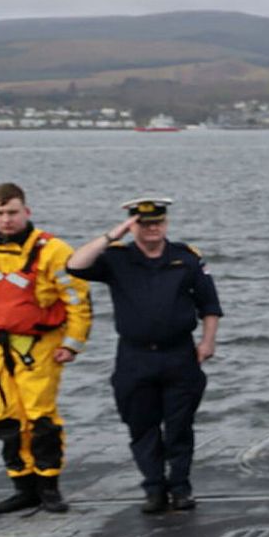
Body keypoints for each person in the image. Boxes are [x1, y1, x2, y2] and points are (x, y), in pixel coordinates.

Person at [66, 199, 222, 514]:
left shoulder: (185, 258)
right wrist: (114, 234)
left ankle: (180, 488)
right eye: (144, 223)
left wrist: (207, 342)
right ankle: (153, 488)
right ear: (133, 226)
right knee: (141, 425)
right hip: (135, 357)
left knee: (180, 426)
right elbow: (75, 265)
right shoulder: (117, 258)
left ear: (166, 223)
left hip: (179, 354)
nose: (152, 229)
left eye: (158, 223)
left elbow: (209, 305)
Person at [0, 182, 93, 515]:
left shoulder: (52, 249)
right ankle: (22, 486)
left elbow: (78, 300)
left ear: (26, 211)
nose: (6, 220)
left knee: (40, 418)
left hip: (37, 348)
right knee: (5, 419)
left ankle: (49, 486)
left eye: (12, 212)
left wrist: (73, 345)